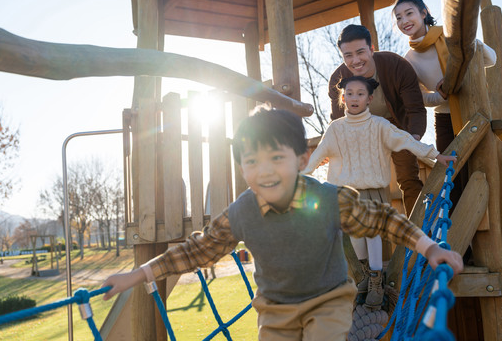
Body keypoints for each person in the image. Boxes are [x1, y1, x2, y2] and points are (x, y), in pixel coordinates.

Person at [102, 106, 463, 341]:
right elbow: (198, 250)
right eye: (252, 161)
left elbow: (382, 219)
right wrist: (136, 276)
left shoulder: (326, 199)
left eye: (277, 157)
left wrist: (429, 247)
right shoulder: (242, 212)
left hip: (328, 300)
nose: (265, 170)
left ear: (302, 158)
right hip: (275, 312)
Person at [303, 76, 457, 310]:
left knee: (373, 233)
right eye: (350, 93)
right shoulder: (335, 129)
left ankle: (376, 279)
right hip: (346, 194)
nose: (354, 98)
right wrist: (300, 175)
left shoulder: (379, 126)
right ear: (343, 98)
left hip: (373, 191)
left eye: (360, 94)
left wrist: (435, 155)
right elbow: (318, 155)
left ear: (369, 99)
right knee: (356, 239)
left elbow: (406, 141)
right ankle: (364, 274)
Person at [393, 0, 496, 210]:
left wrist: (469, 43)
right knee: (452, 175)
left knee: (484, 164)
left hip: (475, 108)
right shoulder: (409, 59)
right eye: (399, 17)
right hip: (445, 119)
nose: (404, 21)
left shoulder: (450, 36)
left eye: (409, 13)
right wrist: (441, 95)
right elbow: (419, 97)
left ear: (423, 13)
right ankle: (460, 236)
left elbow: (491, 60)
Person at [328, 24, 427, 216]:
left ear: (371, 49)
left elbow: (415, 109)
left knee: (408, 177)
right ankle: (370, 233)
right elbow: (338, 121)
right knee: (361, 184)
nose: (355, 60)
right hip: (361, 130)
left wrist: (413, 138)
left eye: (360, 52)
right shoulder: (337, 80)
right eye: (348, 55)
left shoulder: (396, 65)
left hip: (396, 125)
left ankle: (422, 231)